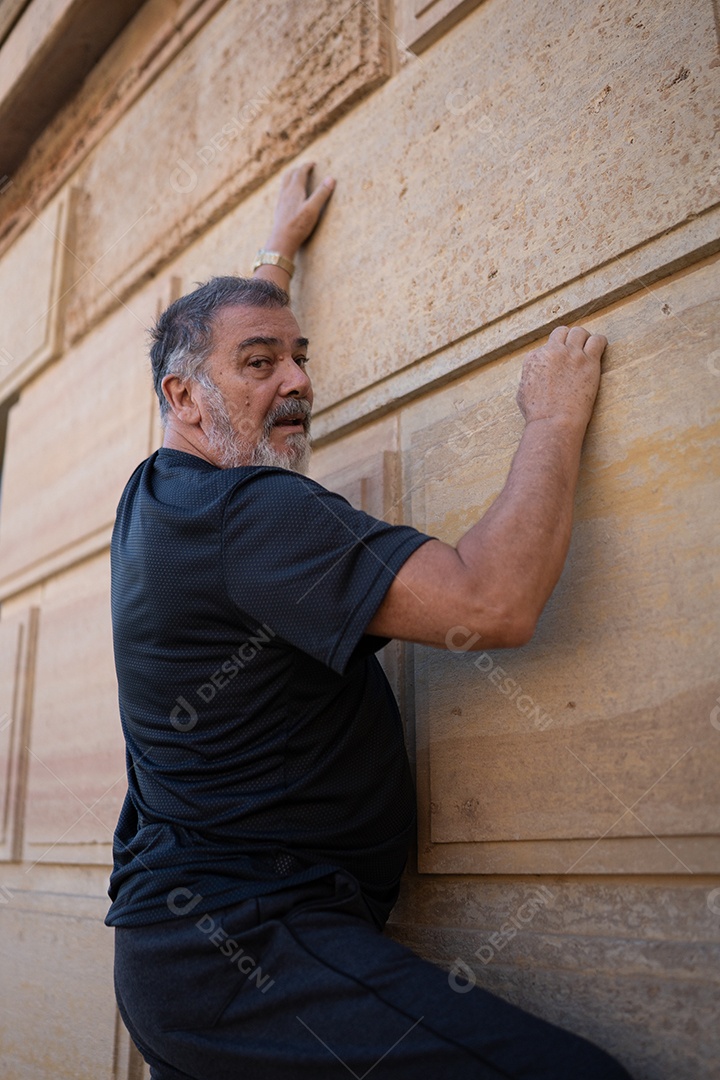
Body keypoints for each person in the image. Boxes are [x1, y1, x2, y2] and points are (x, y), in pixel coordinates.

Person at [108, 164, 632, 1079]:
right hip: (250, 949)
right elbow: (491, 603)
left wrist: (278, 250)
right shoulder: (251, 515)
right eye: (262, 364)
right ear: (182, 398)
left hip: (182, 959)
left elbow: (217, 343)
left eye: (300, 354)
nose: (299, 381)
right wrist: (551, 419)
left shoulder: (159, 493)